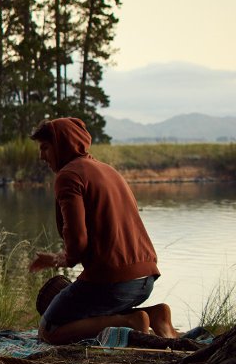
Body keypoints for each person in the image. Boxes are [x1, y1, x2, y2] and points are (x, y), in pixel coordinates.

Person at [27, 117, 175, 344]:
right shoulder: (108, 170)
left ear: (62, 144)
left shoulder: (68, 176)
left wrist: (64, 259)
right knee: (82, 310)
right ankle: (155, 314)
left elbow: (77, 241)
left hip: (114, 281)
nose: (41, 156)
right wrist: (56, 259)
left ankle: (130, 322)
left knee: (49, 330)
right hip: (146, 278)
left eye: (45, 148)